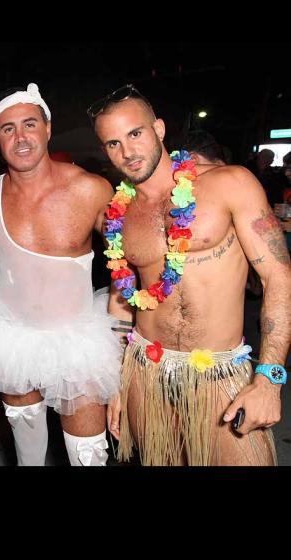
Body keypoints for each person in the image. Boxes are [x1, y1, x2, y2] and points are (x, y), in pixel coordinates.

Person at [88, 83, 291, 465]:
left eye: (135, 134)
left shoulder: (229, 184)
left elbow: (278, 278)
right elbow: (121, 302)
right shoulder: (117, 215)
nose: (127, 152)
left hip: (220, 375)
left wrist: (269, 379)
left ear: (159, 129)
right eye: (113, 143)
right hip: (145, 371)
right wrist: (115, 384)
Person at [0, 84, 123, 466]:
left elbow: (130, 264)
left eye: (30, 124)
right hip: (13, 340)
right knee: (28, 456)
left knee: (88, 456)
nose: (21, 137)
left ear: (48, 128)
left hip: (79, 343)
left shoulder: (91, 189)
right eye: (8, 129)